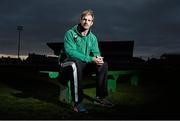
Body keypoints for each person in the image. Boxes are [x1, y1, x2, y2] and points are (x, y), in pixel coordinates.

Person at [61, 9, 113, 113]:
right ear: (80, 20)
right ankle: (77, 103)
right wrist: (90, 59)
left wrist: (98, 59)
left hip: (82, 66)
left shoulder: (93, 38)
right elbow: (71, 53)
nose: (86, 22)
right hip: (66, 64)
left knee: (103, 65)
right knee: (76, 63)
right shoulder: (70, 33)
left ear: (92, 23)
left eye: (89, 20)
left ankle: (100, 98)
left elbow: (96, 53)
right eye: (84, 19)